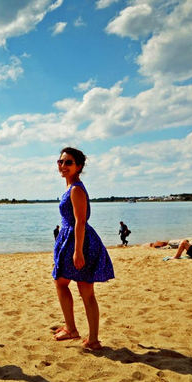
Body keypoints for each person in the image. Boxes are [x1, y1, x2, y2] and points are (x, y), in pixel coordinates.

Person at [52, 148, 114, 351]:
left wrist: (78, 251)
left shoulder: (76, 189)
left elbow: (80, 222)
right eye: (60, 162)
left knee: (76, 287)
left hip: (78, 241)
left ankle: (81, 333)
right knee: (71, 285)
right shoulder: (71, 187)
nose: (63, 166)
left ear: (78, 166)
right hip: (71, 239)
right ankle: (80, 332)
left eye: (68, 162)